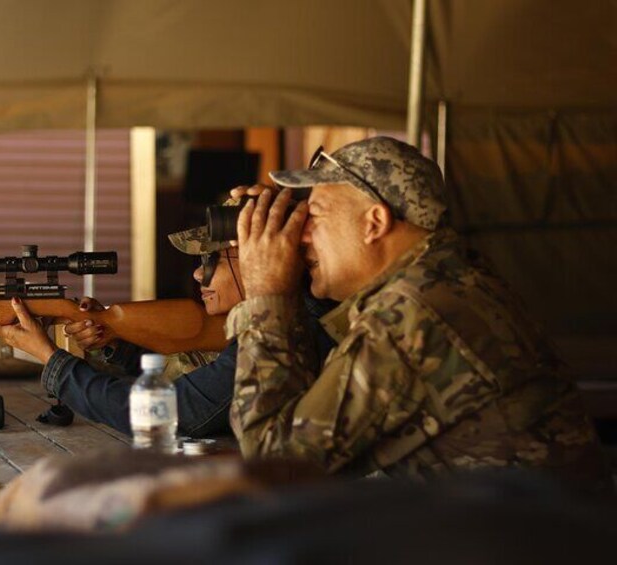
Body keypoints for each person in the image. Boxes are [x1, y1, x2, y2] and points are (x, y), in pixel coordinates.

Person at [228, 136, 611, 489]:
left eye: (315, 215)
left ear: (374, 223)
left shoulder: (413, 315)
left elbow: (275, 466)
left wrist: (268, 294)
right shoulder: (450, 279)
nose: (302, 235)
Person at [0, 205, 334, 438]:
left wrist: (51, 359)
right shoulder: (288, 319)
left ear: (259, 258)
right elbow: (190, 372)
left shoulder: (290, 327)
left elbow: (167, 414)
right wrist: (112, 343)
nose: (197, 275)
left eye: (212, 261)